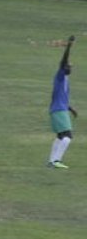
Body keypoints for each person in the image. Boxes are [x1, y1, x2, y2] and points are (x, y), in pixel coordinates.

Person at [49, 36, 77, 169]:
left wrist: (71, 109)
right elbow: (63, 61)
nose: (70, 66)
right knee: (68, 136)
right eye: (69, 65)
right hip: (59, 111)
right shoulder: (60, 75)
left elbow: (62, 98)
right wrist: (69, 46)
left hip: (59, 110)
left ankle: (51, 161)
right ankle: (56, 161)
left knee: (60, 136)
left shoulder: (65, 80)